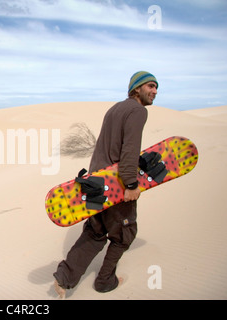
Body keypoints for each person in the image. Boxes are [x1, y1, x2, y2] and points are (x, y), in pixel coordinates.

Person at [53, 71, 158, 298]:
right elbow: (129, 150)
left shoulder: (114, 109)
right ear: (136, 88)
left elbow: (102, 148)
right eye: (150, 86)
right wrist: (131, 184)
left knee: (95, 232)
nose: (155, 91)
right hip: (116, 186)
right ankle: (104, 281)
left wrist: (93, 180)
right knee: (125, 234)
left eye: (156, 87)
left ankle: (64, 278)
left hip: (96, 183)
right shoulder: (137, 111)